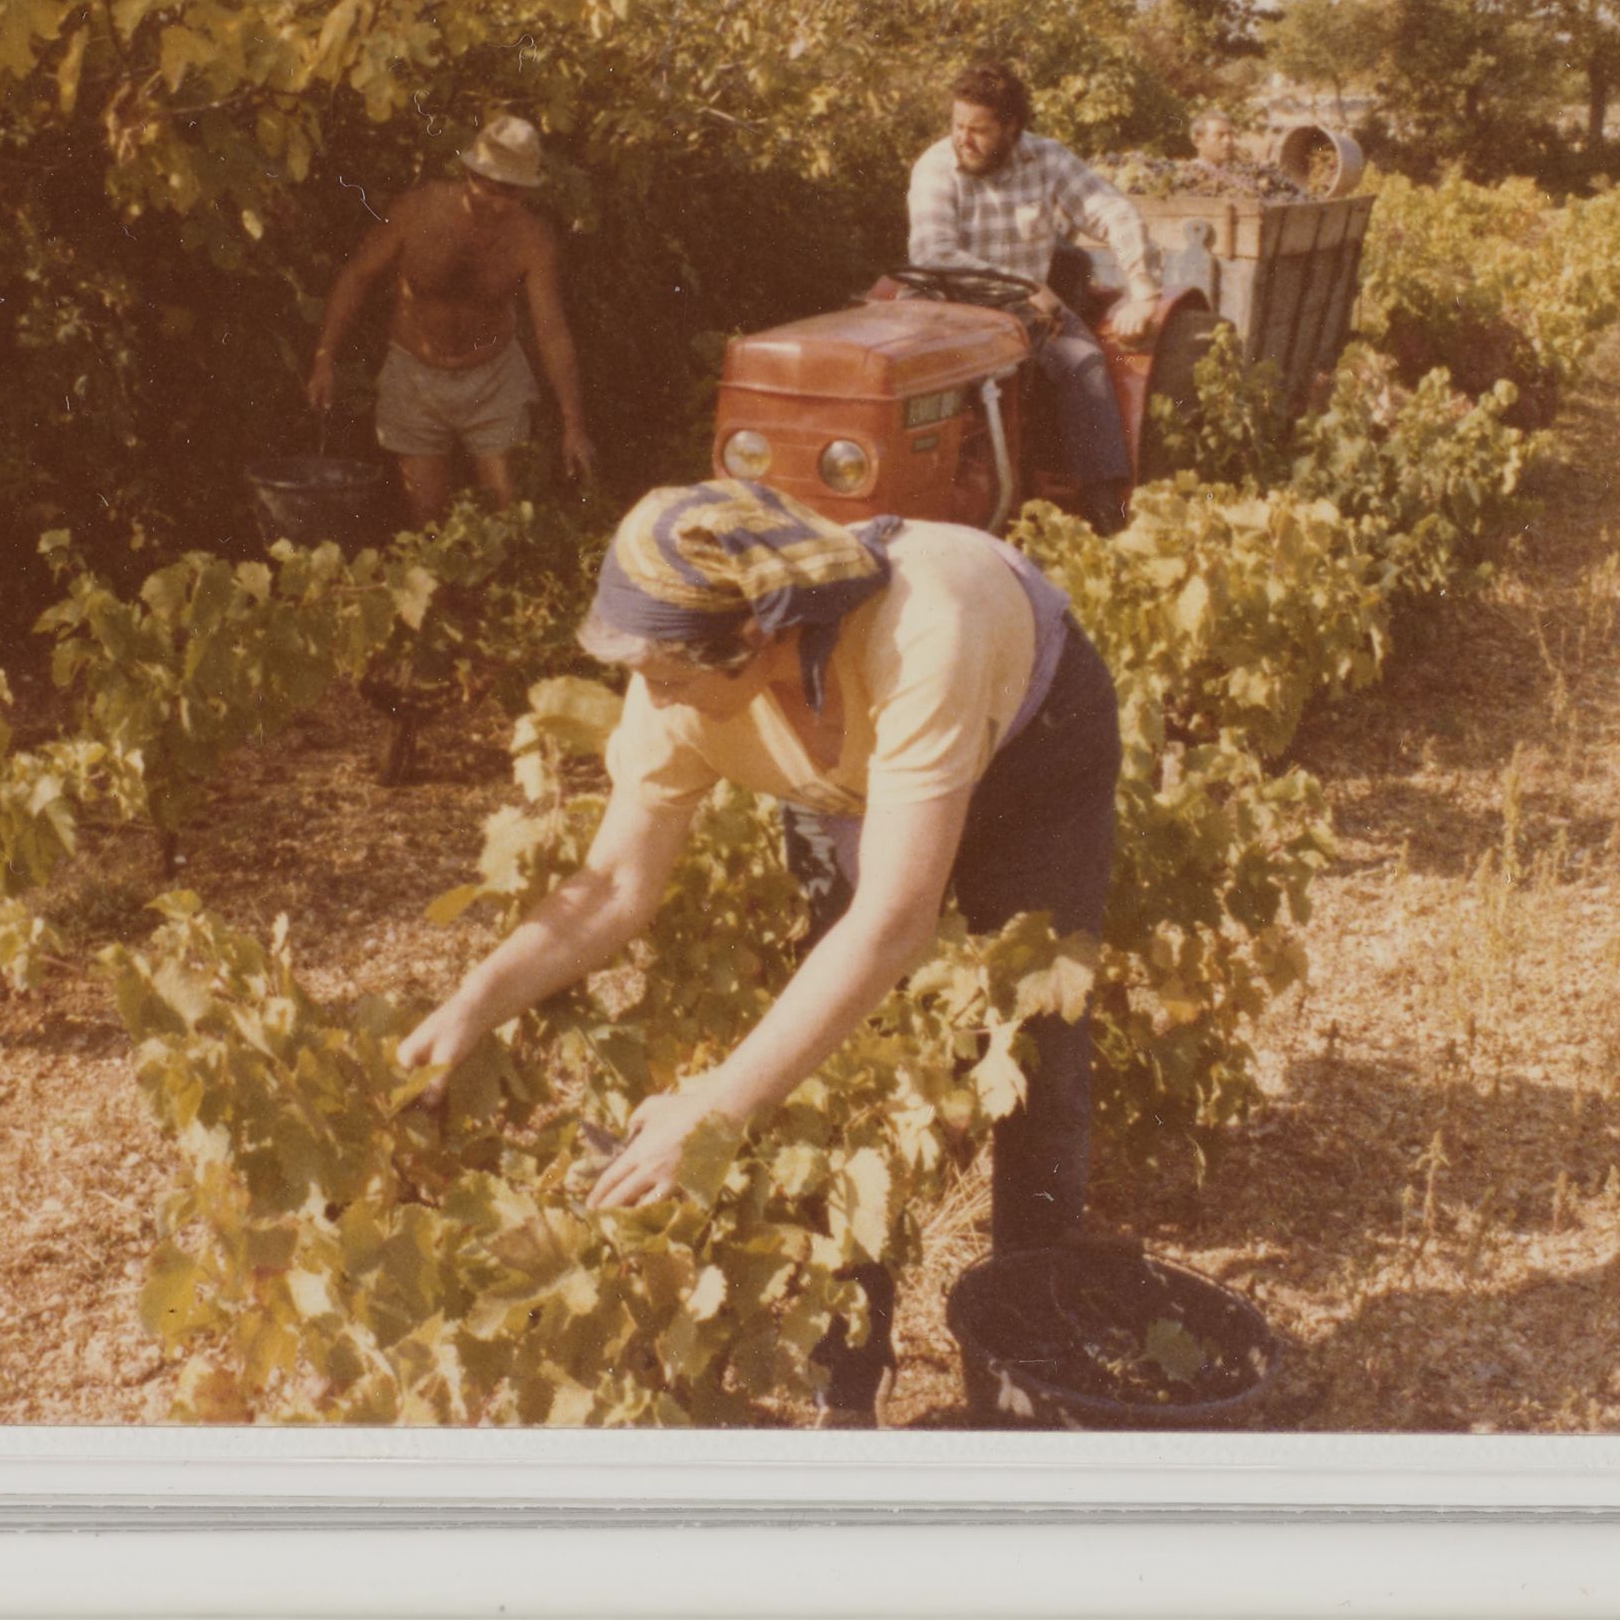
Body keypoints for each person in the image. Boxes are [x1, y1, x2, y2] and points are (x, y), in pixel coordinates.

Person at [397, 478, 1118, 1264]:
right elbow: (612, 885)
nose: (654, 703)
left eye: (669, 680)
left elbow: (893, 920)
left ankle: (1034, 1279)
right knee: (838, 1025)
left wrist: (716, 1109)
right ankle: (850, 1298)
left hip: (1031, 746)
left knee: (1032, 1011)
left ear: (752, 636)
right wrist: (474, 1002)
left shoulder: (925, 632)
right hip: (849, 777)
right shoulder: (673, 678)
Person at [904, 57, 1161, 533]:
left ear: (1011, 128)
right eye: (958, 126)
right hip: (947, 306)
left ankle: (1104, 508)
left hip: (1026, 314)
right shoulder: (936, 167)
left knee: (1084, 362)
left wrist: (1143, 288)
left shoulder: (1047, 159)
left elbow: (1112, 211)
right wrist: (1022, 285)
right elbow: (933, 255)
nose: (963, 139)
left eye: (978, 130)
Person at [309, 113, 598, 517]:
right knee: (426, 517)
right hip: (415, 375)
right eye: (491, 189)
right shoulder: (418, 210)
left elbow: (552, 332)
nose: (499, 205)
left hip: (494, 378)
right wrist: (324, 358)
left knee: (505, 515)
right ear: (469, 174)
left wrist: (574, 425)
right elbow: (358, 275)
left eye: (513, 194)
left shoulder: (532, 239)